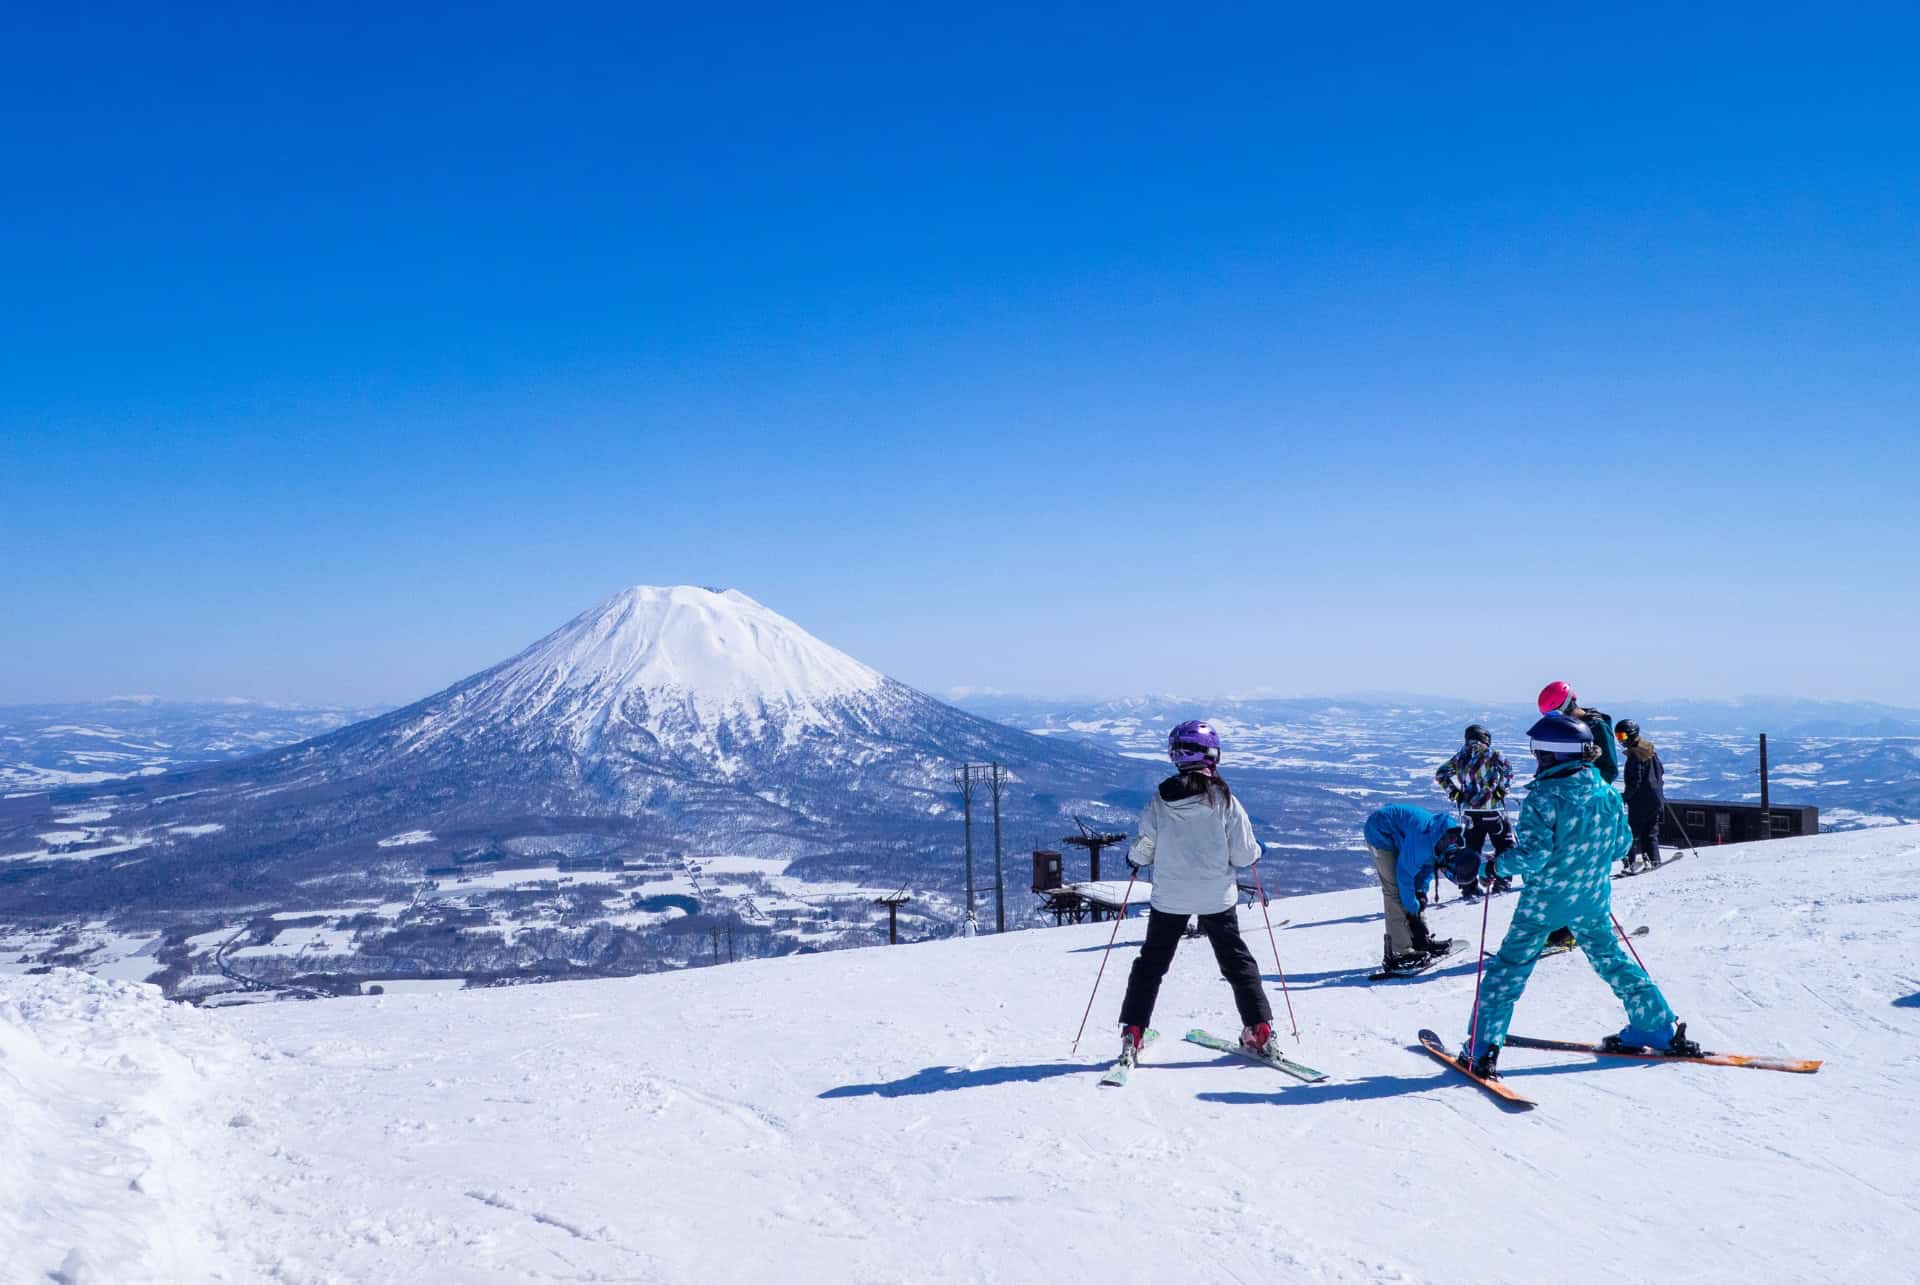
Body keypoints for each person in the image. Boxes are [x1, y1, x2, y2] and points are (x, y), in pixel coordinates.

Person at [1456, 712, 1701, 1077]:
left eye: (1539, 751)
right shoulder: (1605, 791)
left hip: (1544, 902)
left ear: (1552, 755)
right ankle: (1656, 1026)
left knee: (1509, 970)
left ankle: (1482, 1048)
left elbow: (1534, 856)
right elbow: (1621, 845)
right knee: (1611, 959)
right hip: (1592, 896)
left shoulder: (1544, 796)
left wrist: (1493, 866)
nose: (1536, 757)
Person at [1116, 720, 1279, 1065]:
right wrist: (1258, 849)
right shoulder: (1225, 800)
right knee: (1237, 962)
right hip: (1216, 898)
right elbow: (1245, 855)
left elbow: (1144, 849)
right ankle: (1260, 1031)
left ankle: (1133, 1032)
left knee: (1151, 964)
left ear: (1175, 756)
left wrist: (1133, 858)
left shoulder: (1160, 801)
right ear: (1213, 755)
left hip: (1169, 899)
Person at [1536, 681, 1618, 949]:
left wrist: (1586, 776)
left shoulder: (1596, 727)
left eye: (1555, 714)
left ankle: (1576, 926)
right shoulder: (1566, 728)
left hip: (1589, 806)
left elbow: (1610, 770)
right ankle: (1563, 926)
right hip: (1567, 803)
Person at [1362, 803, 1465, 976]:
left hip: (1400, 834)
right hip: (1379, 832)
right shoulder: (1424, 844)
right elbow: (1404, 876)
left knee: (1414, 893)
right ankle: (1399, 952)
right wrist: (1412, 907)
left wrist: (1421, 895)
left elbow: (1425, 869)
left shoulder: (1446, 842)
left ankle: (1418, 940)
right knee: (1394, 890)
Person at [1435, 723, 1516, 899]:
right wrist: (1502, 790)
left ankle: (1469, 886)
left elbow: (1441, 774)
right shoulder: (1494, 754)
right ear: (1486, 738)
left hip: (1471, 812)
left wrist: (1455, 793)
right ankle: (1502, 882)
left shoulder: (1461, 757)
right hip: (1493, 809)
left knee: (1471, 849)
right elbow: (1509, 772)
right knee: (1504, 845)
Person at [1616, 719, 1666, 873]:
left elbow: (1634, 781)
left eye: (1622, 736)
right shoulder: (1649, 750)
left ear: (1631, 735)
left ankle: (1631, 864)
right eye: (1617, 736)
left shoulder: (1636, 756)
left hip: (1641, 801)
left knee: (1631, 833)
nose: (1620, 740)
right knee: (1650, 832)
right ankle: (1654, 860)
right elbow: (1661, 771)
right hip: (1656, 799)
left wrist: (1625, 797)